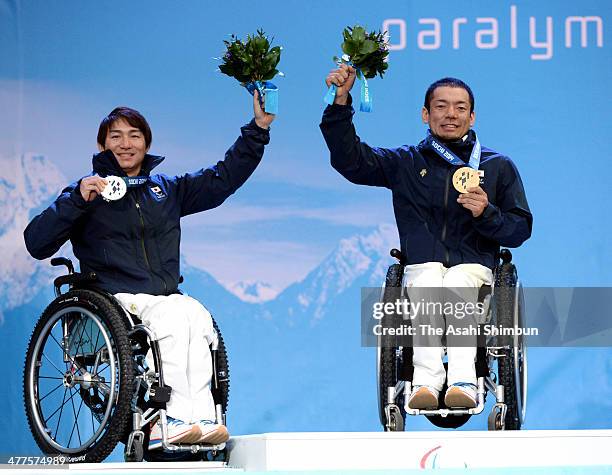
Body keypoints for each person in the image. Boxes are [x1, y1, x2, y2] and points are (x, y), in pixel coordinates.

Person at [24, 91, 274, 448]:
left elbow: (223, 178)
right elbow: (37, 242)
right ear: (101, 145)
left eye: (134, 136)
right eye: (116, 137)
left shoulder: (166, 189)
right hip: (113, 294)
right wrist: (77, 199)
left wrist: (258, 128)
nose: (126, 144)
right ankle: (165, 419)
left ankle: (200, 418)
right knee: (170, 319)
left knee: (195, 315)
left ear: (147, 143)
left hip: (163, 295)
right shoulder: (86, 193)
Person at [320, 66, 532, 410]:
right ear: (425, 114)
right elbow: (351, 161)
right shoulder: (405, 162)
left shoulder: (498, 166)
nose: (451, 114)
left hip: (475, 269)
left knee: (459, 279)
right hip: (422, 266)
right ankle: (426, 383)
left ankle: (463, 381)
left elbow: (519, 228)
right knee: (430, 278)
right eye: (441, 106)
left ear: (472, 115)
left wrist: (486, 213)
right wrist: (340, 103)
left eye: (460, 107)